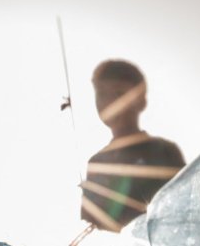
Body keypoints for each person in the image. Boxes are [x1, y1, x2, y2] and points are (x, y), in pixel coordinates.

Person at [79, 60, 185, 232]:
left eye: (118, 94)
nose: (109, 102)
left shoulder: (164, 151)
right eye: (101, 94)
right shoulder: (97, 163)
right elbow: (91, 226)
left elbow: (186, 205)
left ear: (141, 101)